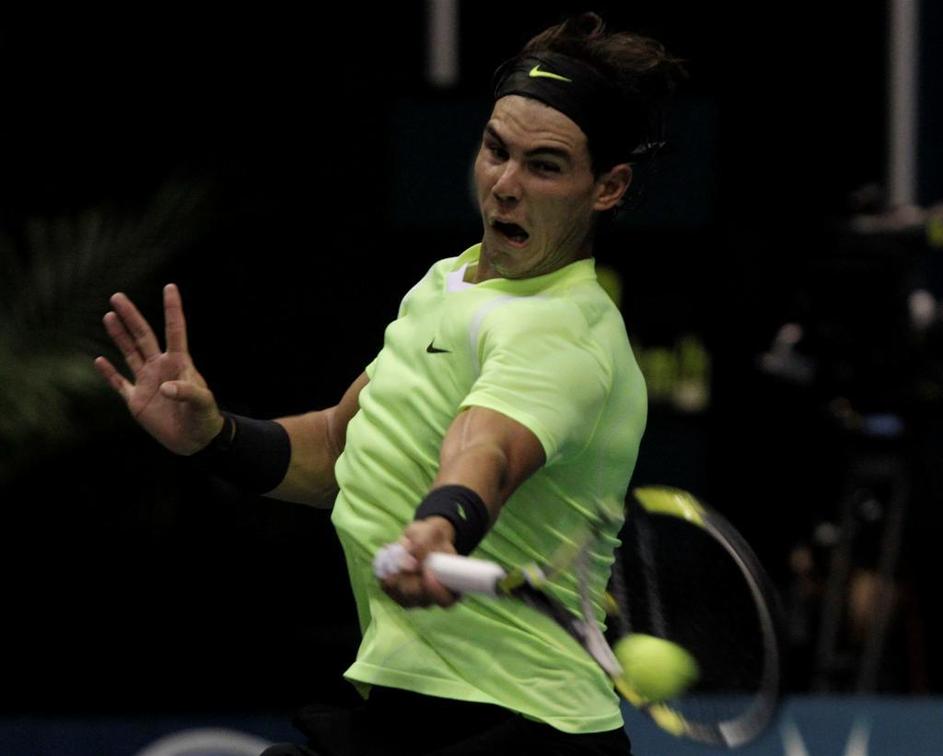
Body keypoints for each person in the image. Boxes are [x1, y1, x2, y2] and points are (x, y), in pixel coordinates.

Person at [95, 12, 684, 756]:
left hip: (518, 727)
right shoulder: (446, 283)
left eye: (544, 166)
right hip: (411, 712)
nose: (505, 185)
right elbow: (339, 448)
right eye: (495, 150)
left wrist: (442, 525)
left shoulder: (565, 332)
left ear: (607, 187)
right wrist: (215, 437)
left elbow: (488, 449)